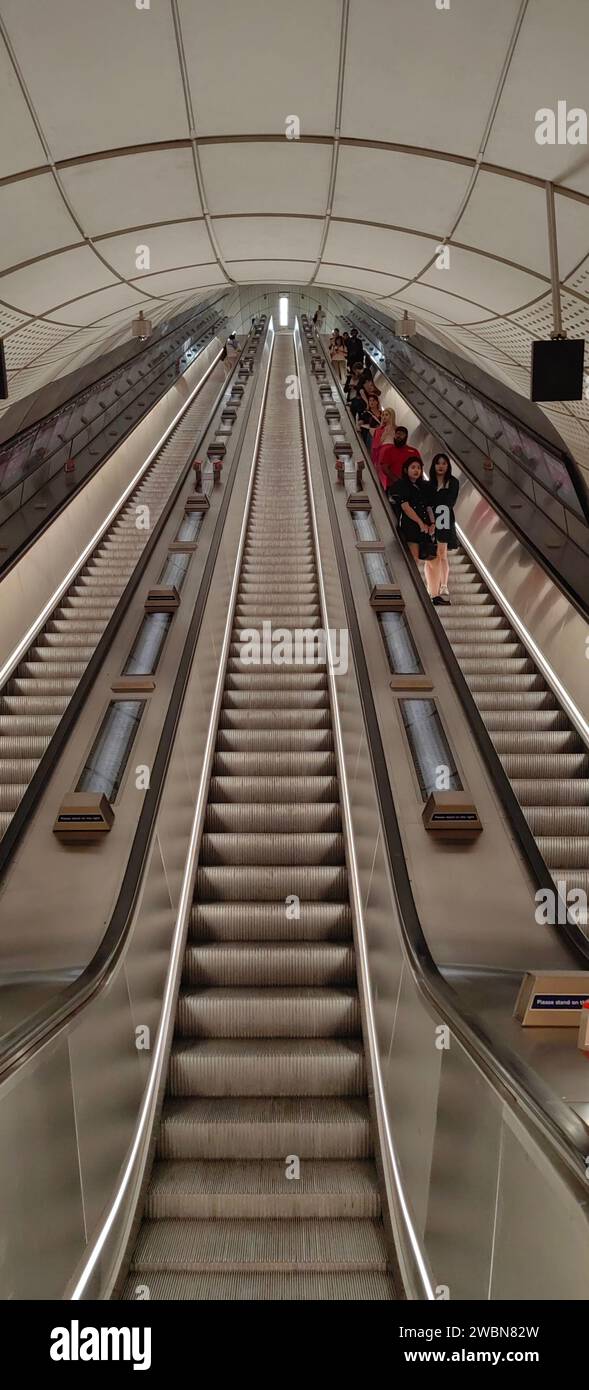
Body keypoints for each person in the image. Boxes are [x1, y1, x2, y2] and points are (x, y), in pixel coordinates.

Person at [394, 457, 437, 572]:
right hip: (411, 526)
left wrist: (433, 523)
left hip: (425, 528)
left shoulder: (423, 486)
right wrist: (420, 523)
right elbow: (406, 507)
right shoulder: (401, 485)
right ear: (406, 469)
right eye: (413, 467)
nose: (416, 470)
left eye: (418, 468)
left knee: (423, 557)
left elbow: (428, 507)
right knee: (413, 559)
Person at [427, 453, 459, 605]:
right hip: (430, 518)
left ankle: (444, 585)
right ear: (433, 465)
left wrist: (435, 502)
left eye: (444, 463)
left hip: (444, 518)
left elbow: (450, 502)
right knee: (430, 556)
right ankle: (431, 585)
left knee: (442, 554)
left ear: (448, 466)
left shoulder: (453, 482)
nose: (441, 466)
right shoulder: (429, 483)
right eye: (438, 463)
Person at [371, 406, 397, 488]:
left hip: (391, 452)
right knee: (383, 474)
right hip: (383, 452)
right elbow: (377, 444)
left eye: (386, 415)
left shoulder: (396, 429)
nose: (384, 417)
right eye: (383, 415)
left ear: (391, 416)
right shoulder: (380, 429)